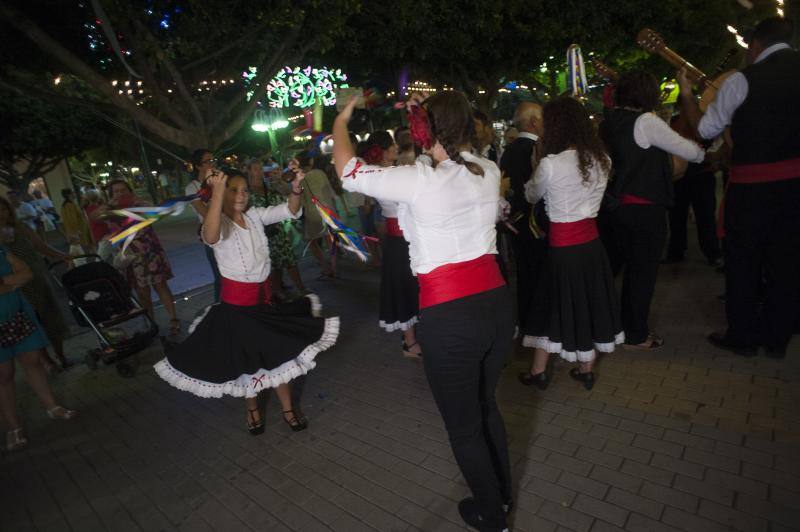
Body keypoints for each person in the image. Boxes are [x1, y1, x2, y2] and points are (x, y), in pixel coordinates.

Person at [335, 92, 513, 532]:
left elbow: (345, 168)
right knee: (487, 406)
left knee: (465, 427)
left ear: (423, 131)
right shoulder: (487, 171)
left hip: (450, 316)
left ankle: (493, 516)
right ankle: (501, 494)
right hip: (496, 304)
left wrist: (340, 118)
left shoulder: (417, 180)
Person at [154, 167, 338, 434]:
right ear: (221, 194)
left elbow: (289, 210)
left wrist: (297, 188)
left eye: (244, 190)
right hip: (237, 312)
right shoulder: (215, 223)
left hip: (264, 305)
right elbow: (212, 235)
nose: (241, 195)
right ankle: (252, 409)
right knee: (247, 364)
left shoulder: (254, 216)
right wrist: (216, 193)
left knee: (278, 357)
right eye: (233, 190)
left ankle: (288, 408)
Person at [677, 17, 799, 358]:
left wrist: (687, 94)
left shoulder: (743, 80)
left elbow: (705, 130)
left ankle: (743, 335)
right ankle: (778, 339)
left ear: (755, 44)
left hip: (752, 188)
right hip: (795, 187)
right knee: (787, 260)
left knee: (743, 262)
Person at [518, 97, 623, 391]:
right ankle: (586, 368)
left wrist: (536, 163)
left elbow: (530, 196)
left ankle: (539, 371)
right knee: (590, 302)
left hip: (563, 249)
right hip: (592, 246)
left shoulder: (551, 164)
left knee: (551, 305)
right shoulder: (603, 159)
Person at [600, 71, 704, 349]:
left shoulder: (607, 121)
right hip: (644, 210)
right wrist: (704, 150)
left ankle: (601, 327)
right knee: (641, 274)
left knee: (610, 270)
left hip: (612, 208)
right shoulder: (645, 122)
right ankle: (635, 334)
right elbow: (691, 152)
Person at [0, 244, 76, 451]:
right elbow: (19, 276)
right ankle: (14, 427)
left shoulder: (2, 249)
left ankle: (51, 406)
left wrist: (5, 282)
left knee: (32, 362)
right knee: (4, 375)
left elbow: (27, 273)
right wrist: (12, 282)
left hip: (18, 315)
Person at [361, 131, 422, 358]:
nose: (397, 146)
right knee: (404, 290)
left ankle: (411, 338)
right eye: (393, 144)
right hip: (400, 241)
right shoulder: (382, 176)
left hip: (407, 239)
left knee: (411, 288)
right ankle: (410, 343)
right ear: (384, 150)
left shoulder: (388, 173)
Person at [0, 197, 73, 371]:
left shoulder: (21, 227)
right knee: (31, 324)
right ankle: (47, 361)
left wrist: (62, 255)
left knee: (50, 317)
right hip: (16, 284)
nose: (1, 213)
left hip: (37, 278)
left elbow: (41, 246)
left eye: (4, 209)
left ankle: (61, 356)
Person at [104, 180, 180, 335]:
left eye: (123, 190)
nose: (120, 193)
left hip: (150, 250)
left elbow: (156, 212)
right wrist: (110, 207)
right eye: (116, 191)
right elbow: (101, 222)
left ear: (130, 191)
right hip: (131, 256)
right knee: (142, 291)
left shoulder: (140, 204)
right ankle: (151, 322)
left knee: (160, 285)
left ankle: (174, 319)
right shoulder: (110, 211)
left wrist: (137, 204)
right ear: (111, 195)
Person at [499, 102, 547, 334]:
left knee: (526, 276)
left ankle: (527, 320)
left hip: (515, 221)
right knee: (538, 275)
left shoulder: (509, 150)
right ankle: (538, 324)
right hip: (535, 222)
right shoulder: (537, 149)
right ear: (534, 122)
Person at [663, 113, 722, 267]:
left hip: (702, 174)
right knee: (677, 216)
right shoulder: (673, 121)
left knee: (706, 216)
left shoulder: (704, 120)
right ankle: (677, 251)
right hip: (680, 177)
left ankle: (712, 252)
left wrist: (715, 158)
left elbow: (718, 141)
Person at [245, 158, 307, 299]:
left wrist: (285, 180)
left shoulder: (270, 185)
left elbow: (288, 194)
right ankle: (277, 291)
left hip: (278, 229)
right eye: (255, 169)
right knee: (273, 265)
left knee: (289, 260)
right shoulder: (247, 192)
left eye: (261, 168)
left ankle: (301, 289)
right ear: (248, 171)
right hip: (262, 234)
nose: (260, 172)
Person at [186, 149, 222, 302]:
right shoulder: (192, 188)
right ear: (198, 166)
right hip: (212, 233)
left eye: (213, 160)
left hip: (228, 228)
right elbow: (206, 213)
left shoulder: (219, 180)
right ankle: (219, 308)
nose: (212, 164)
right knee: (220, 275)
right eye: (207, 161)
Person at [299, 152, 337, 279]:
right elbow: (330, 192)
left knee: (311, 241)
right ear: (310, 162)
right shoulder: (320, 173)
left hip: (313, 213)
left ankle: (325, 266)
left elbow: (302, 200)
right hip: (328, 210)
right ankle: (333, 266)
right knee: (329, 239)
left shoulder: (301, 178)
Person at [60, 188, 94, 253]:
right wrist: (76, 231)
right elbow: (72, 219)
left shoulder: (69, 204)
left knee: (76, 249)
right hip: (76, 231)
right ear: (68, 195)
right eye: (73, 193)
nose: (74, 194)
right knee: (77, 249)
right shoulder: (69, 205)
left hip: (76, 230)